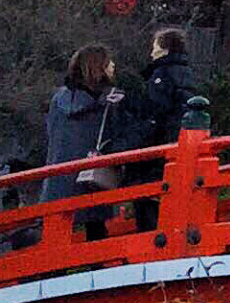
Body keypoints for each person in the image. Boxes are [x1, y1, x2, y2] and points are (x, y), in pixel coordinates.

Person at [98, 28, 200, 233]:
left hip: (158, 150)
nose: (152, 52)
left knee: (149, 202)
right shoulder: (186, 73)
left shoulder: (162, 75)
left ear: (165, 48)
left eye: (155, 46)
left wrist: (126, 101)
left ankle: (154, 247)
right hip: (179, 145)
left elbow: (154, 110)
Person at [41, 44, 124, 242]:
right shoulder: (109, 100)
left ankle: (55, 272)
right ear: (99, 66)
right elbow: (117, 136)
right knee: (96, 234)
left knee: (57, 239)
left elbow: (51, 133)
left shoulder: (59, 99)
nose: (113, 65)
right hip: (92, 175)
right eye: (108, 62)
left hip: (58, 174)